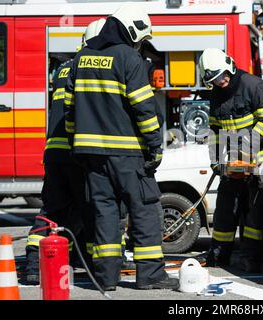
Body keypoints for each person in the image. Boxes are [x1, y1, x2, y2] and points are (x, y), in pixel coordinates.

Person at [64, 3, 178, 291]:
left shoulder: (81, 59)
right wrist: (155, 146)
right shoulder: (128, 57)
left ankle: (106, 277)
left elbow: (69, 111)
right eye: (140, 37)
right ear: (131, 29)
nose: (140, 44)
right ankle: (150, 274)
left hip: (90, 155)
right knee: (145, 209)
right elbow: (143, 108)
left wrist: (74, 144)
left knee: (105, 212)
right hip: (128, 155)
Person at [23, 19, 106, 285]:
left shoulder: (63, 69)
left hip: (54, 151)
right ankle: (96, 261)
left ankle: (37, 261)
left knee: (55, 208)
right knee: (91, 206)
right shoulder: (88, 69)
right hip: (76, 151)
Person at [199, 48, 263, 272]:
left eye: (221, 76)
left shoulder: (253, 85)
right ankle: (219, 256)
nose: (220, 82)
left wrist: (247, 147)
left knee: (253, 217)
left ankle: (250, 259)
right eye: (214, 80)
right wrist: (216, 160)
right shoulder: (216, 93)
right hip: (234, 166)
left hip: (259, 165)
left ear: (229, 67)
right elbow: (215, 130)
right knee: (225, 212)